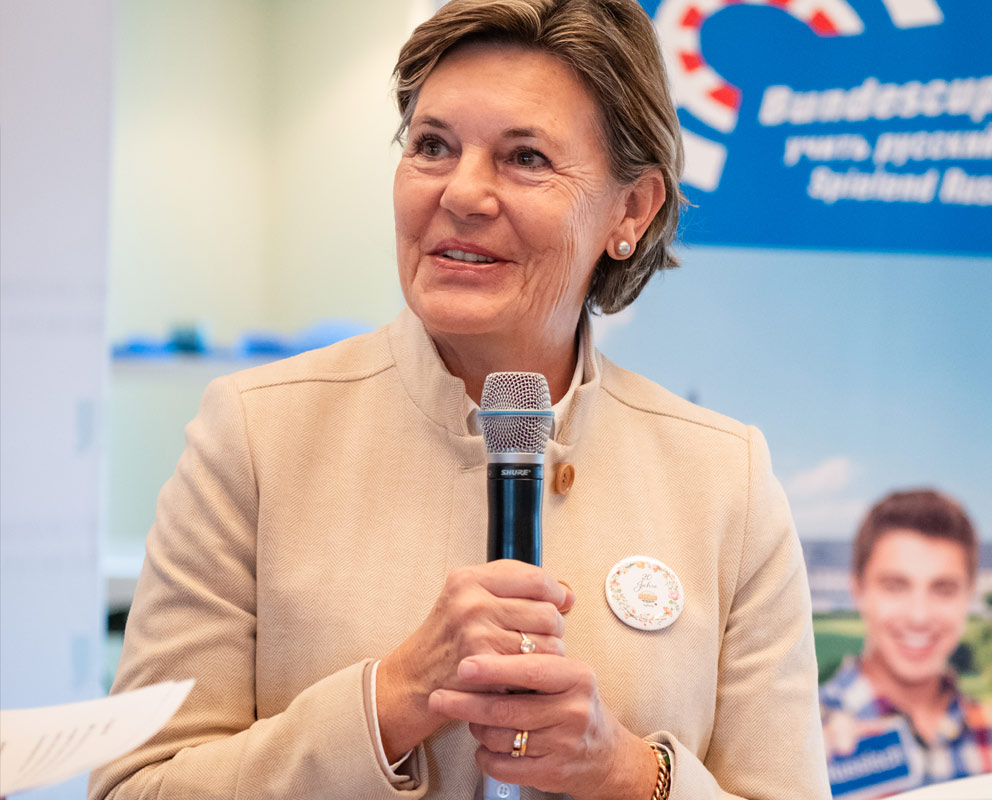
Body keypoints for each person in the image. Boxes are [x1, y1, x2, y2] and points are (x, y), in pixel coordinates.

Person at [88, 1, 830, 799]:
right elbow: (134, 790)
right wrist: (390, 702)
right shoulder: (256, 434)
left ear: (632, 209)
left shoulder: (725, 479)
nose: (463, 193)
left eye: (526, 158)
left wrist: (625, 771)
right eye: (433, 146)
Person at [819, 489, 992, 797]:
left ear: (968, 596)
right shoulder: (807, 732)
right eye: (895, 587)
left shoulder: (988, 728)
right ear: (858, 590)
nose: (919, 616)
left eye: (943, 589)